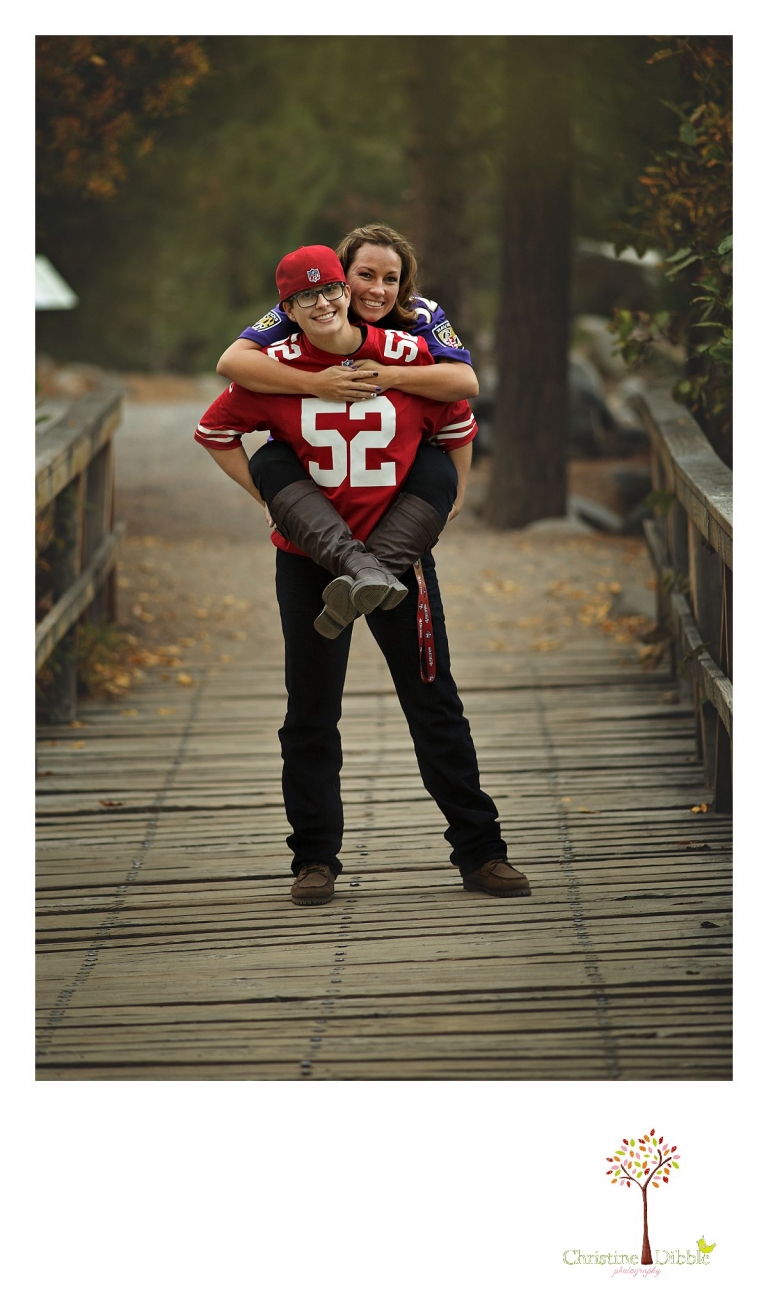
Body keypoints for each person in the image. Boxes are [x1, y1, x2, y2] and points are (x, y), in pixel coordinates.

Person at [196, 244, 531, 907]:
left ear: (346, 293)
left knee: (434, 703)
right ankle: (314, 860)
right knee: (311, 711)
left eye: (330, 292)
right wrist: (268, 500)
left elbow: (458, 422)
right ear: (287, 309)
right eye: (306, 298)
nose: (323, 304)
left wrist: (456, 494)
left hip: (398, 558)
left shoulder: (405, 355)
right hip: (309, 563)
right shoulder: (276, 367)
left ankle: (482, 852)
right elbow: (215, 432)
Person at [216, 224, 474, 632]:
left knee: (434, 465)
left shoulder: (419, 313)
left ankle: (369, 575)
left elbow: (464, 385)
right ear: (341, 275)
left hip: (394, 494)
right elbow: (231, 362)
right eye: (365, 275)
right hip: (312, 488)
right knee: (270, 460)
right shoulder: (314, 303)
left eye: (391, 279)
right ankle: (366, 576)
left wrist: (391, 376)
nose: (378, 290)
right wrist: (314, 383)